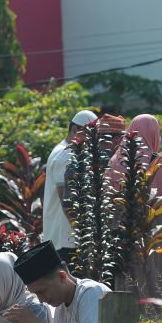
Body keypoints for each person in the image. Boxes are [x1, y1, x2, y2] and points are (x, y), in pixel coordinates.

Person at [108, 114, 162, 299]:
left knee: (131, 292)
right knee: (161, 296)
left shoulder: (116, 163)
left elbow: (110, 208)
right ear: (156, 134)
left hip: (128, 237)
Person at [43, 110, 98, 264]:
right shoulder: (66, 154)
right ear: (74, 130)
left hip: (65, 237)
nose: (91, 140)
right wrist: (82, 234)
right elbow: (66, 200)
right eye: (89, 134)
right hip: (67, 239)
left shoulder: (64, 150)